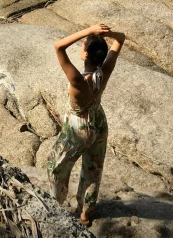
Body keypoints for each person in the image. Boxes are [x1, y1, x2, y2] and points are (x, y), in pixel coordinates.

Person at [47, 23, 125, 226]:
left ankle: (55, 204)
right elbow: (121, 38)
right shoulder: (104, 71)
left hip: (78, 129)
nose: (80, 48)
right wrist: (109, 34)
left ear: (86, 56)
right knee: (93, 169)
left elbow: (58, 47)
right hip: (99, 123)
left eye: (82, 46)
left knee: (56, 165)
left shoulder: (78, 81)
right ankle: (85, 212)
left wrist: (89, 31)